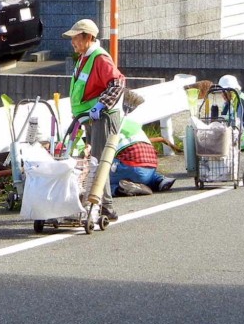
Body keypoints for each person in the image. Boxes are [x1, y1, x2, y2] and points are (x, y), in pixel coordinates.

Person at [63, 19, 124, 221]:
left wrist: (101, 105)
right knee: (93, 160)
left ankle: (105, 205)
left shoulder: (99, 58)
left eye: (76, 37)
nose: (73, 42)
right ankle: (98, 203)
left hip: (102, 116)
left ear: (88, 37)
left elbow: (117, 83)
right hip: (89, 117)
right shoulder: (84, 57)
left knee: (98, 159)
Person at [110, 116, 176, 197]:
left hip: (131, 167)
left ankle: (120, 189)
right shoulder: (128, 121)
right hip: (151, 165)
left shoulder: (101, 125)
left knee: (102, 183)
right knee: (141, 167)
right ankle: (159, 180)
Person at [217, 75, 244, 152]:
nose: (222, 95)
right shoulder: (232, 100)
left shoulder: (240, 102)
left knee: (214, 146)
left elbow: (240, 127)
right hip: (242, 137)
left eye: (224, 91)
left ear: (231, 91)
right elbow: (224, 119)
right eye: (221, 92)